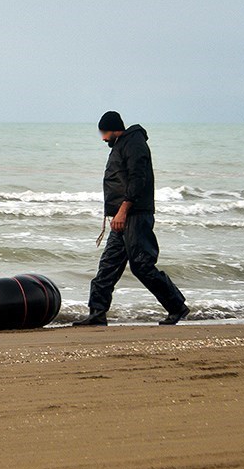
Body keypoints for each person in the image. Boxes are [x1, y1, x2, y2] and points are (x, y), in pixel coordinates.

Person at [74, 111, 190, 326]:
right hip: (122, 217)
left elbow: (139, 179)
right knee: (108, 264)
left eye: (105, 133)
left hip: (135, 216)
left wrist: (123, 210)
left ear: (115, 129)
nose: (103, 138)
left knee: (142, 265)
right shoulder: (121, 144)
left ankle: (177, 307)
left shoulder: (134, 143)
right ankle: (97, 313)